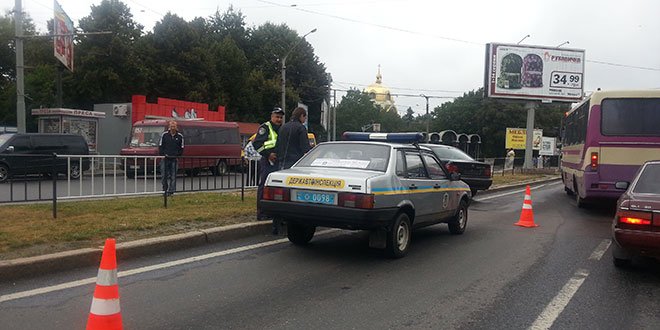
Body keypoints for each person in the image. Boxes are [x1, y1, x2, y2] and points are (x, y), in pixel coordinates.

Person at [252, 107, 284, 221]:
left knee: (276, 187)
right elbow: (257, 144)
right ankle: (261, 212)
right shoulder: (265, 128)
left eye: (281, 117)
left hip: (278, 161)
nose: (279, 119)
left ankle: (273, 211)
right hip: (267, 160)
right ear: (272, 117)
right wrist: (268, 154)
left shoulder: (282, 129)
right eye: (277, 117)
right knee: (264, 185)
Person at [159, 120, 184, 196]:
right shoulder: (164, 135)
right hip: (165, 158)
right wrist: (163, 154)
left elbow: (182, 148)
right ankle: (165, 190)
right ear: (169, 127)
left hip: (174, 159)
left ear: (176, 127)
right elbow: (160, 146)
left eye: (174, 126)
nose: (173, 127)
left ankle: (171, 191)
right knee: (164, 175)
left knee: (173, 176)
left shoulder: (180, 136)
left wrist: (177, 155)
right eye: (171, 126)